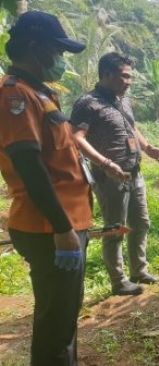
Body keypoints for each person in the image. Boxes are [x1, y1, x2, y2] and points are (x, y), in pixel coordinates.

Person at [0, 11, 92, 365]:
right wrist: (62, 228)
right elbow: (30, 167)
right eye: (57, 50)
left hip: (64, 222)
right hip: (49, 227)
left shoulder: (40, 93)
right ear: (34, 47)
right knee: (56, 321)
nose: (61, 59)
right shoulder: (15, 96)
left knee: (63, 317)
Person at [71, 52, 159, 296]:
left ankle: (139, 271)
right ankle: (118, 280)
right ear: (106, 74)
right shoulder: (87, 103)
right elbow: (76, 138)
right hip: (109, 176)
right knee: (116, 229)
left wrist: (147, 147)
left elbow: (132, 127)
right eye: (124, 76)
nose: (129, 81)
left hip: (134, 172)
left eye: (130, 77)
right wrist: (105, 163)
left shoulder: (123, 99)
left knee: (141, 222)